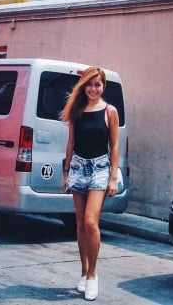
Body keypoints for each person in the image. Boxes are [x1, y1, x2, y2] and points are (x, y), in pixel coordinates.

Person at [61, 66, 119, 301]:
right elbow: (71, 143)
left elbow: (114, 146)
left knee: (90, 221)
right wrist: (66, 172)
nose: (93, 89)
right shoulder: (76, 111)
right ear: (84, 86)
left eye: (98, 85)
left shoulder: (109, 111)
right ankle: (84, 272)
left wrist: (113, 177)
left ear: (103, 86)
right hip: (77, 166)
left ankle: (93, 275)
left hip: (99, 168)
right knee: (79, 224)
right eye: (90, 84)